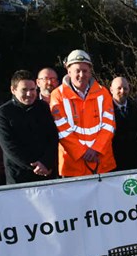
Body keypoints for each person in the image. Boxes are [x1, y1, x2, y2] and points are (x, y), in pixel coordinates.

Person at [49, 49, 116, 177]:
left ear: (90, 71)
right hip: (72, 165)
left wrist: (96, 149)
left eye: (85, 71)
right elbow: (62, 129)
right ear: (69, 72)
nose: (81, 74)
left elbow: (109, 125)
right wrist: (82, 152)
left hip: (101, 162)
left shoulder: (103, 93)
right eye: (77, 71)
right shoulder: (57, 95)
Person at [0, 70, 58, 184]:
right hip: (19, 178)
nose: (29, 94)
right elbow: (9, 147)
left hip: (47, 174)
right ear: (13, 90)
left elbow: (53, 137)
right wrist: (36, 167)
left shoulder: (43, 108)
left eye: (32, 89)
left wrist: (46, 163)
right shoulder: (2, 113)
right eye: (24, 90)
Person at [110, 76, 137, 171]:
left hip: (133, 159)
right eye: (119, 88)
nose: (122, 91)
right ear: (111, 90)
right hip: (114, 160)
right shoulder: (106, 109)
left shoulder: (135, 106)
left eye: (125, 88)